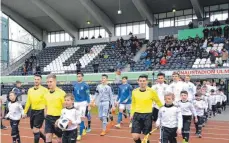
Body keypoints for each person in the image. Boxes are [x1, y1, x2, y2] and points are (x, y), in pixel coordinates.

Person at [131, 74, 163, 143]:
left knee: (146, 137)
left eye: (144, 81)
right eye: (140, 81)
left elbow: (158, 102)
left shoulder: (152, 91)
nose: (142, 82)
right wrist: (131, 113)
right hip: (137, 115)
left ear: (147, 82)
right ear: (138, 81)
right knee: (135, 137)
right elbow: (133, 103)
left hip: (147, 115)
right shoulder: (134, 91)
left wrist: (164, 110)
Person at [24, 74, 48, 143]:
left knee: (35, 129)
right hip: (32, 111)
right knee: (34, 129)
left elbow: (47, 101)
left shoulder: (45, 90)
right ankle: (45, 139)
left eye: (38, 79)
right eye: (35, 79)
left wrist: (46, 111)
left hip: (40, 111)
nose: (36, 81)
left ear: (40, 81)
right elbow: (28, 102)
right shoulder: (30, 90)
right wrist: (25, 112)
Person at [44, 74, 66, 143]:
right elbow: (46, 106)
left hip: (58, 118)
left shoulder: (62, 93)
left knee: (59, 139)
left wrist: (61, 119)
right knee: (48, 137)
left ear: (55, 81)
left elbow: (65, 107)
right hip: (48, 118)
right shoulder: (46, 94)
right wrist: (45, 118)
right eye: (47, 82)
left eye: (51, 81)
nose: (49, 83)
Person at [72, 72, 90, 141]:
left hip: (83, 103)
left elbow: (88, 95)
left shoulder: (85, 85)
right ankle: (84, 127)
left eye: (79, 76)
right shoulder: (74, 85)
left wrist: (88, 104)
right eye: (77, 76)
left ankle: (79, 135)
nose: (78, 77)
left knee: (81, 118)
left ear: (82, 77)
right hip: (76, 103)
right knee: (76, 119)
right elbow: (73, 94)